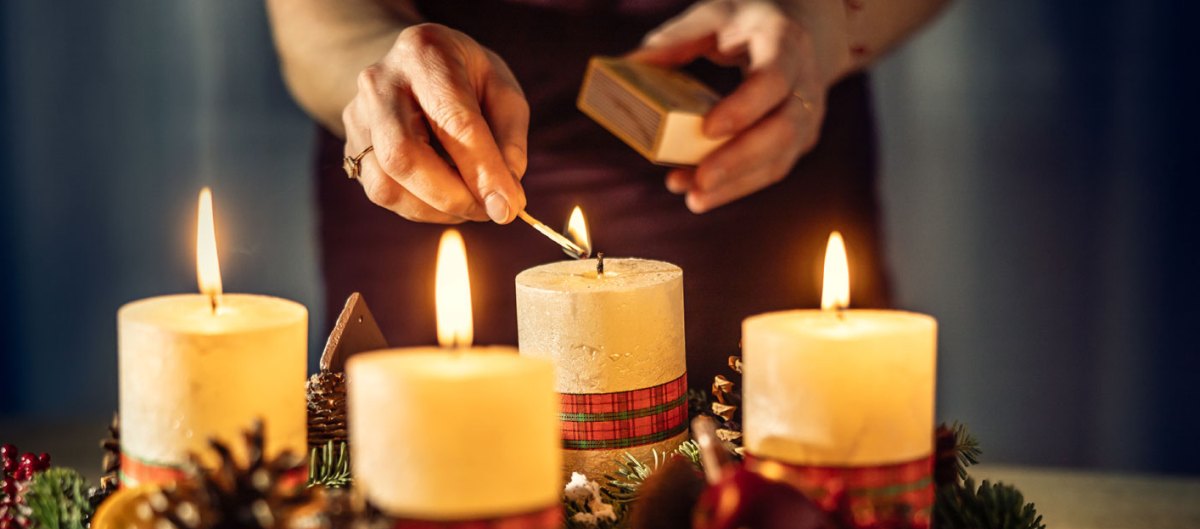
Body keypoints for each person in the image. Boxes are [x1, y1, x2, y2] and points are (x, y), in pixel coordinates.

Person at [266, 0, 951, 385]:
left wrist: (827, 27)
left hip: (758, 132)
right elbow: (320, 21)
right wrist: (380, 84)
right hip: (428, 151)